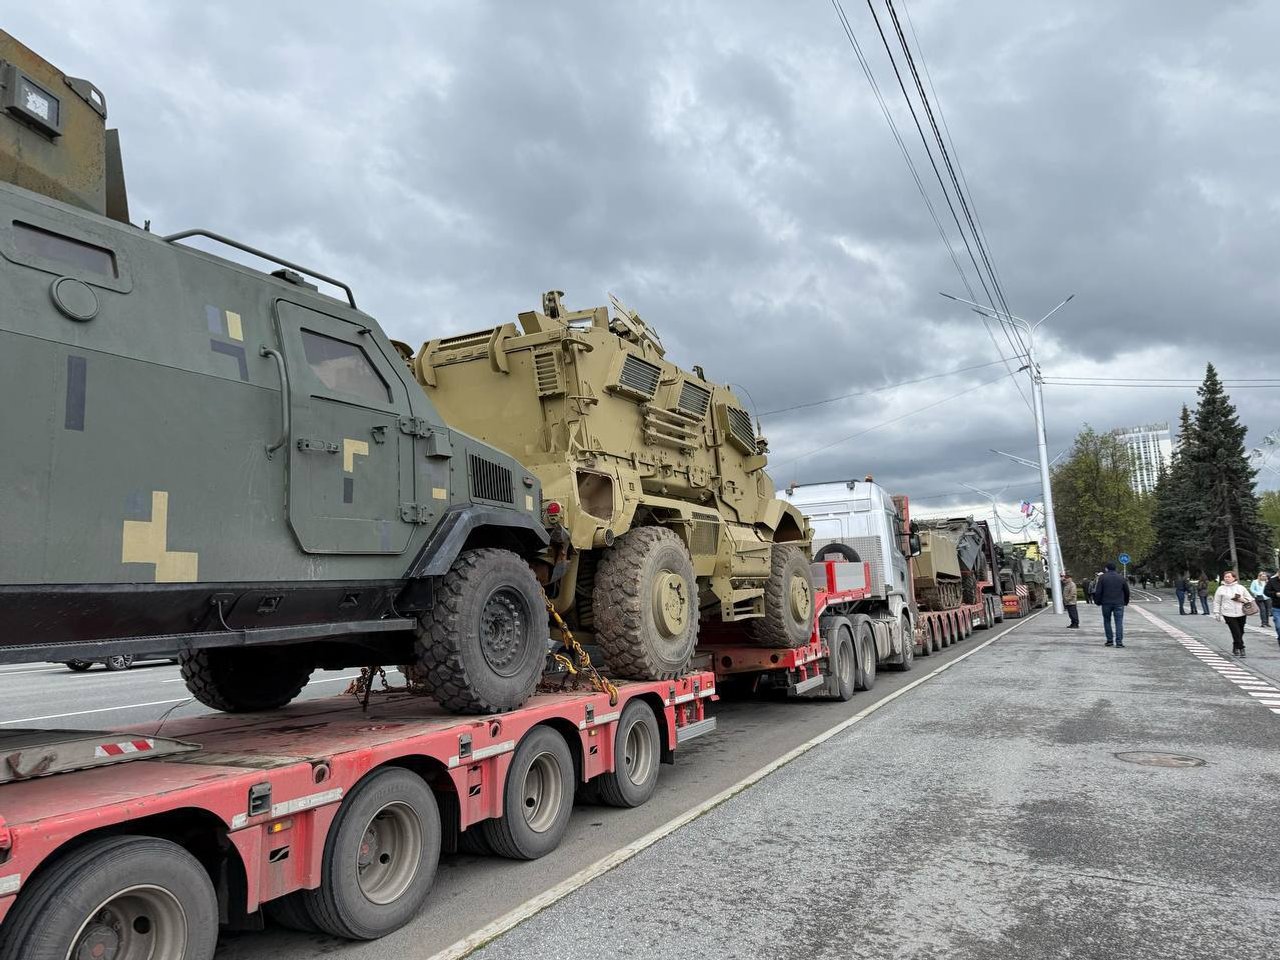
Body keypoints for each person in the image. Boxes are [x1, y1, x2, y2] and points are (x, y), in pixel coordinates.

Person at [1213, 571, 1253, 657]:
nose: (1226, 578)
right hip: (1228, 613)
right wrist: (1216, 613)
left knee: (1241, 631)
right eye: (1225, 577)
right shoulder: (1221, 589)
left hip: (1241, 612)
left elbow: (1250, 598)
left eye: (1228, 577)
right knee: (1235, 631)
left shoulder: (1241, 587)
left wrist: (1242, 599)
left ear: (1234, 578)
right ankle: (1242, 648)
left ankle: (1235, 645)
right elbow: (1216, 602)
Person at [1094, 561, 1130, 648]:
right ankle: (1119, 642)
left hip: (1106, 603)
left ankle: (1109, 640)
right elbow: (1126, 591)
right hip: (1119, 603)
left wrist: (1097, 601)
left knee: (1107, 621)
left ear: (1106, 568)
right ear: (1115, 569)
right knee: (1119, 622)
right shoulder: (1121, 578)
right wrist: (1125, 601)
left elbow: (1098, 591)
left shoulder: (1102, 578)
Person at [1264, 572, 1280, 646]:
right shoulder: (1272, 581)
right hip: (1277, 608)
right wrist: (1275, 594)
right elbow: (1266, 592)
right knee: (1278, 627)